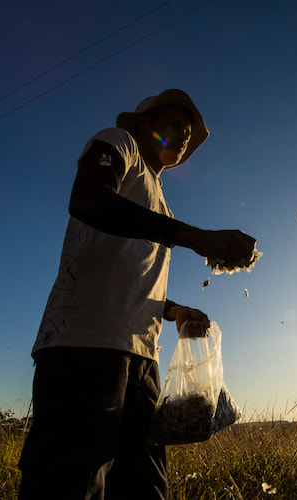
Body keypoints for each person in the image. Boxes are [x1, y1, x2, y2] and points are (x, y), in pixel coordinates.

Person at [17, 89, 257, 500]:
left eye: (187, 135)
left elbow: (134, 279)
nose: (182, 138)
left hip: (142, 360)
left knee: (145, 485)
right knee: (71, 482)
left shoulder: (161, 205)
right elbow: (88, 200)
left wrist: (176, 311)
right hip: (85, 346)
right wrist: (195, 237)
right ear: (143, 124)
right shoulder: (119, 142)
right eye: (174, 127)